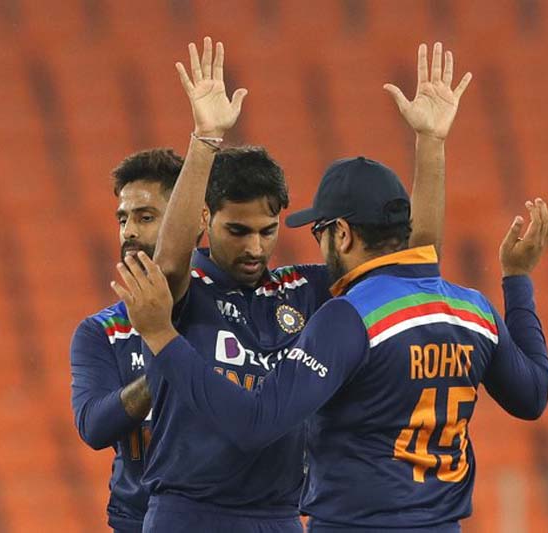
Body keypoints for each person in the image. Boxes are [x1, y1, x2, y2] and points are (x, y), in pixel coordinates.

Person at [121, 38, 470, 532]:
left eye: (267, 231)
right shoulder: (185, 291)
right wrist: (206, 138)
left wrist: (431, 144)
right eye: (237, 231)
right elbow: (170, 265)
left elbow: (412, 261)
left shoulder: (305, 289)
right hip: (189, 511)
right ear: (204, 219)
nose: (255, 248)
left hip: (282, 515)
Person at [114, 169, 548, 532]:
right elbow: (533, 396)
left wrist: (162, 337)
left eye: (320, 232)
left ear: (341, 234)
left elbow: (256, 423)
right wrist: (517, 279)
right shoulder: (473, 310)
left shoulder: (349, 316)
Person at [69, 149, 183, 533]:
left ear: (192, 219)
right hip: (137, 521)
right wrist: (175, 361)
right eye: (123, 219)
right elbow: (94, 427)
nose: (129, 231)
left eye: (145, 217)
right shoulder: (103, 331)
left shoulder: (231, 312)